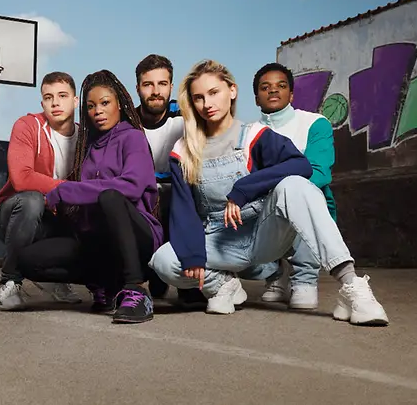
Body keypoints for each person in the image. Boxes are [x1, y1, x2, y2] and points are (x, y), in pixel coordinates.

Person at [148, 59, 389, 325]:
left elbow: (300, 165)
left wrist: (242, 190)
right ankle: (221, 285)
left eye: (214, 93)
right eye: (199, 98)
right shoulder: (183, 150)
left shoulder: (254, 134)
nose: (207, 104)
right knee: (163, 261)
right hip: (218, 240)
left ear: (232, 91)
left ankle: (351, 287)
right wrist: (194, 258)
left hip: (265, 232)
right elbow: (184, 210)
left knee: (295, 184)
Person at [16, 69, 163, 324]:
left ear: (120, 103)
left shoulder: (133, 138)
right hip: (100, 240)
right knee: (28, 260)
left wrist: (63, 191)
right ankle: (105, 283)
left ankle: (137, 289)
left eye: (105, 103)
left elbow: (130, 187)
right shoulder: (88, 146)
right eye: (91, 106)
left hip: (138, 234)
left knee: (110, 197)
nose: (98, 111)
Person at [0, 71, 83, 311]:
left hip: (54, 218)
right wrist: (71, 189)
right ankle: (10, 281)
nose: (55, 102)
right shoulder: (28, 126)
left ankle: (58, 281)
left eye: (62, 95)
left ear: (75, 100)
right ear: (42, 103)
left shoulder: (85, 137)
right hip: (13, 215)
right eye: (48, 97)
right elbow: (21, 179)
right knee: (32, 200)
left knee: (86, 212)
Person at [252, 62, 337, 310]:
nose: (273, 91)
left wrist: (281, 193)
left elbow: (319, 172)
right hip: (264, 209)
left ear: (292, 93)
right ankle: (274, 276)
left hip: (306, 201)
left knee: (299, 194)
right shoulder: (249, 132)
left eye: (281, 86)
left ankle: (304, 280)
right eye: (265, 87)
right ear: (257, 97)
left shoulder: (315, 123)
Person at [133, 54, 203, 306]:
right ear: (138, 87)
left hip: (178, 192)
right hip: (142, 194)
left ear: (171, 87)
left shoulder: (186, 116)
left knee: (186, 193)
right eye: (148, 84)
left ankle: (186, 280)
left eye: (162, 84)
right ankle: (145, 274)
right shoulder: (127, 121)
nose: (155, 91)